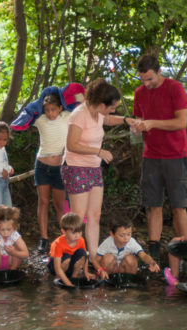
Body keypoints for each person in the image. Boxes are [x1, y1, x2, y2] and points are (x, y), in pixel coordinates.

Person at [126, 55, 187, 262]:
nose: (146, 83)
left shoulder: (175, 88)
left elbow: (181, 122)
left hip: (176, 154)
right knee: (152, 204)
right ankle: (153, 248)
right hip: (150, 155)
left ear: (159, 72)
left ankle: (185, 246)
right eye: (143, 79)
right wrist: (136, 128)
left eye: (150, 79)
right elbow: (139, 120)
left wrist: (152, 123)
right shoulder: (139, 93)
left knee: (179, 205)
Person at [61, 78, 126, 266]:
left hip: (93, 168)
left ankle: (92, 255)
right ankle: (72, 256)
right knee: (79, 218)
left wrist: (127, 120)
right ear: (101, 103)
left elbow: (108, 119)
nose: (113, 110)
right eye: (111, 106)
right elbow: (71, 145)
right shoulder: (79, 114)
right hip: (76, 167)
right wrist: (98, 151)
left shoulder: (97, 113)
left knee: (94, 215)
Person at [33, 93, 70, 253]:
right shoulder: (40, 120)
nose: (50, 113)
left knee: (59, 205)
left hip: (60, 168)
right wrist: (40, 100)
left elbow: (84, 105)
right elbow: (25, 113)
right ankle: (44, 238)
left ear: (60, 108)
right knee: (43, 201)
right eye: (47, 110)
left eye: (53, 109)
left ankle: (66, 237)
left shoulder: (67, 116)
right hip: (42, 166)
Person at [94, 219, 160, 279]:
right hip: (111, 269)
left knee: (131, 259)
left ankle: (128, 280)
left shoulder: (131, 242)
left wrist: (151, 262)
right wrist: (101, 270)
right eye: (122, 235)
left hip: (124, 268)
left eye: (129, 234)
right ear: (112, 234)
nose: (126, 238)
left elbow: (143, 255)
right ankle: (106, 280)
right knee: (107, 258)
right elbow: (95, 260)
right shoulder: (107, 243)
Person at [0, 205, 29, 281]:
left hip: (11, 261)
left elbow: (26, 254)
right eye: (2, 230)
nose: (5, 233)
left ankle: (12, 271)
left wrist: (14, 252)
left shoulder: (15, 235)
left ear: (14, 227)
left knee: (16, 247)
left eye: (9, 229)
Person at [47, 212, 95, 287]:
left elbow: (85, 257)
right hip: (56, 267)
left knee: (82, 253)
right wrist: (68, 284)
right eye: (73, 233)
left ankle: (74, 277)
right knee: (67, 257)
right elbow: (57, 267)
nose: (77, 235)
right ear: (64, 232)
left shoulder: (81, 240)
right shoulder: (57, 244)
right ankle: (59, 279)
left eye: (79, 232)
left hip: (69, 265)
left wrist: (86, 273)